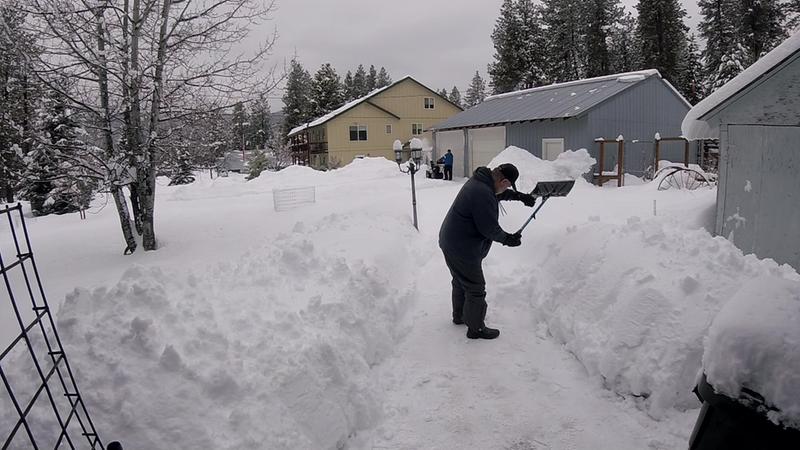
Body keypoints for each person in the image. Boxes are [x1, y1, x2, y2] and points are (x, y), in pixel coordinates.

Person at [438, 163, 537, 339]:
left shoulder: (482, 181)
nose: (506, 188)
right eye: (507, 185)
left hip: (452, 241)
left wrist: (519, 196)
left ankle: (460, 316)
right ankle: (475, 328)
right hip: (462, 247)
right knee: (475, 287)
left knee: (461, 281)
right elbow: (488, 228)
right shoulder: (482, 192)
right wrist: (508, 239)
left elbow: (496, 194)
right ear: (503, 180)